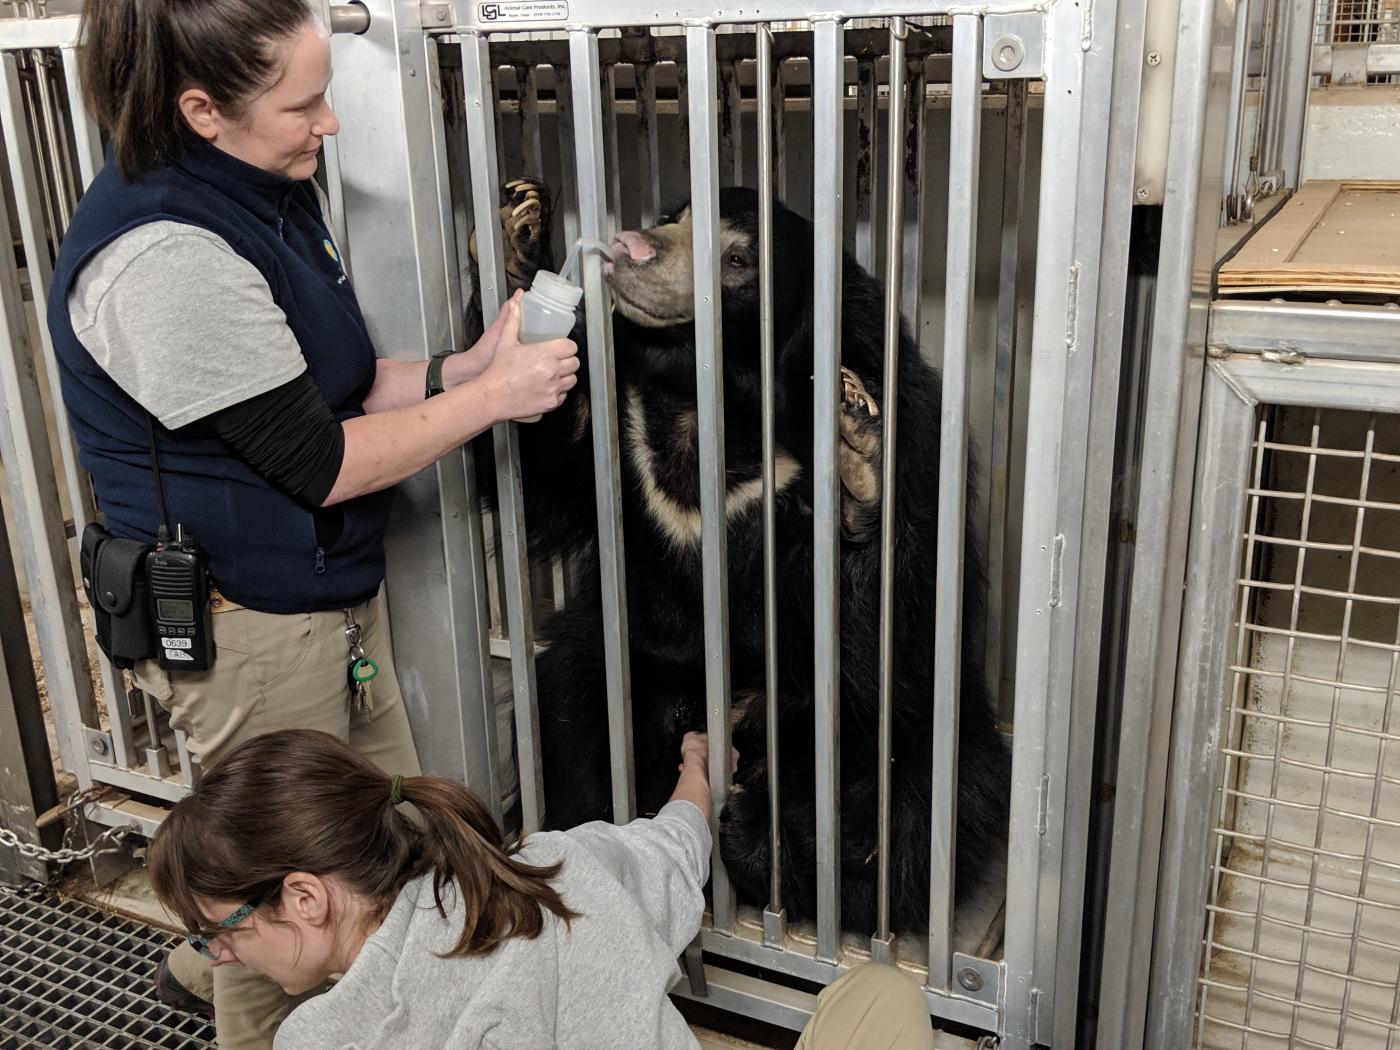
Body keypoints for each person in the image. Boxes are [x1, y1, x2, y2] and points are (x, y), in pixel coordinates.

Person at [50, 2, 577, 1046]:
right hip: (247, 624)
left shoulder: (259, 186)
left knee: (376, 860)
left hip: (322, 598)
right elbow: (319, 461)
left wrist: (457, 370)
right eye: (303, 102)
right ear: (203, 109)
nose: (328, 122)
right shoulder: (165, 258)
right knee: (273, 917)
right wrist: (489, 402)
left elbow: (321, 387)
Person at [148, 728, 939, 1050]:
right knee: (883, 996)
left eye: (220, 931)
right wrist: (698, 779)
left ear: (307, 895)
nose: (219, 959)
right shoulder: (552, 872)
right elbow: (668, 850)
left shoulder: (316, 1042)